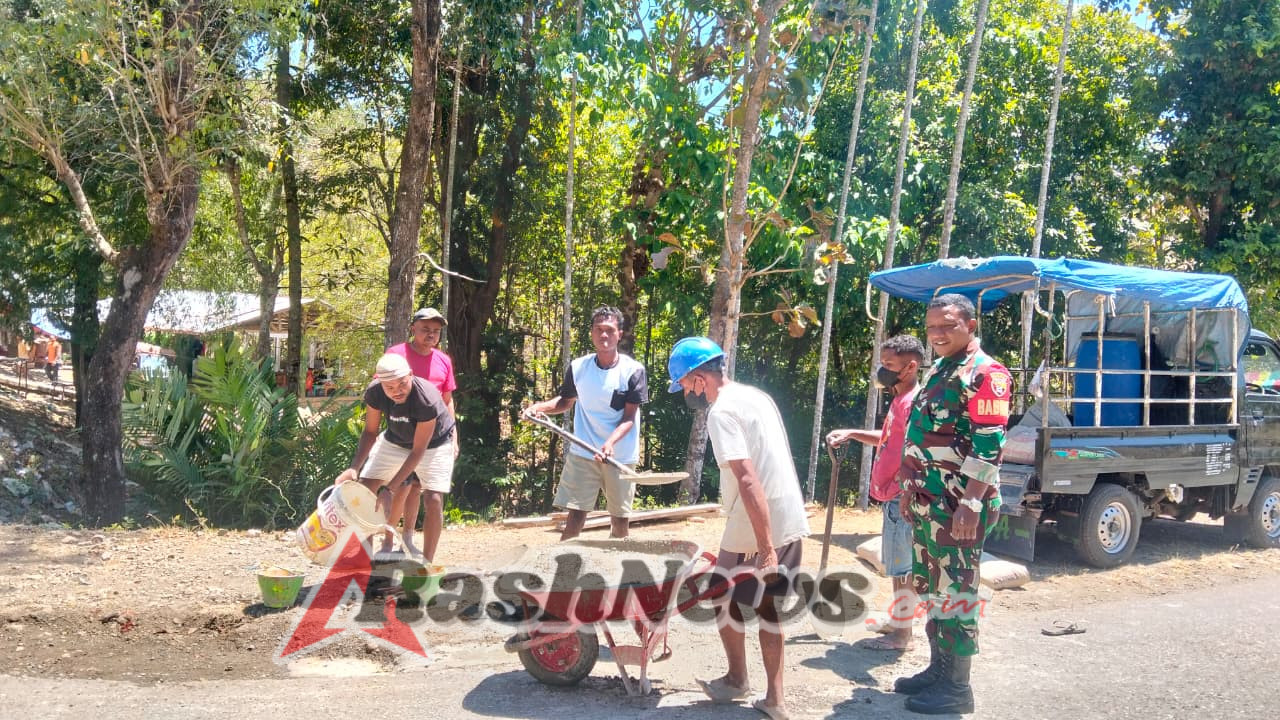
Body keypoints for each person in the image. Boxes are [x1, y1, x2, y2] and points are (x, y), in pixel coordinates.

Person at [668, 336, 810, 720]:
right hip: (787, 510)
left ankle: (736, 680)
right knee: (769, 608)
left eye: (683, 383)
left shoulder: (721, 413)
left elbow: (748, 479)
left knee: (720, 595)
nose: (684, 391)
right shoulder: (755, 395)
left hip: (756, 520)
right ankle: (774, 700)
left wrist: (765, 547)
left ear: (699, 378)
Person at [892, 293, 1012, 715]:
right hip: (930, 503)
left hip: (959, 506)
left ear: (970, 326)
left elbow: (989, 446)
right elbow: (919, 436)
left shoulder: (986, 374)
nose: (938, 335)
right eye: (932, 328)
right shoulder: (942, 369)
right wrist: (909, 489)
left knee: (957, 590)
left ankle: (957, 687)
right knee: (934, 587)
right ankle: (938, 671)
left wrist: (972, 504)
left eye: (948, 326)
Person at [826, 334, 925, 652]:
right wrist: (853, 433)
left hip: (902, 495)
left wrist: (906, 490)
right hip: (893, 495)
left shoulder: (913, 403)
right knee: (898, 567)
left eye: (888, 365)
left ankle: (902, 636)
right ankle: (900, 623)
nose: (881, 370)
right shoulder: (899, 400)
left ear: (910, 367)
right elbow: (886, 438)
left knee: (903, 568)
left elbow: (913, 451)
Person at [522, 306, 647, 540]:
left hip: (620, 455)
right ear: (591, 333)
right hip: (583, 451)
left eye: (609, 330)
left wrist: (610, 443)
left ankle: (618, 569)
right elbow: (565, 402)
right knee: (576, 514)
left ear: (619, 334)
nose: (604, 335)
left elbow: (629, 417)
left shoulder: (633, 371)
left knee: (620, 519)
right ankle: (565, 567)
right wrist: (538, 408)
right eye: (599, 330)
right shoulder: (579, 367)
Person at [334, 353, 457, 562]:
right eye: (389, 387)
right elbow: (370, 432)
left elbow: (417, 451)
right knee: (364, 489)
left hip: (434, 444)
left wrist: (390, 489)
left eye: (402, 384)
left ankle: (425, 566)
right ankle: (366, 563)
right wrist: (354, 467)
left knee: (433, 499)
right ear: (380, 383)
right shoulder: (374, 392)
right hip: (395, 439)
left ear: (410, 375)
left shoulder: (426, 398)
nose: (397, 392)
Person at [385, 307, 460, 558]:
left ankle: (408, 540)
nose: (431, 334)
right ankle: (387, 543)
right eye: (426, 329)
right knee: (400, 485)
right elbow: (383, 390)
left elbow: (447, 399)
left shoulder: (443, 360)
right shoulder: (397, 355)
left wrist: (454, 437)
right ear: (413, 329)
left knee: (420, 488)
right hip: (403, 432)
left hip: (436, 436)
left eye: (436, 331)